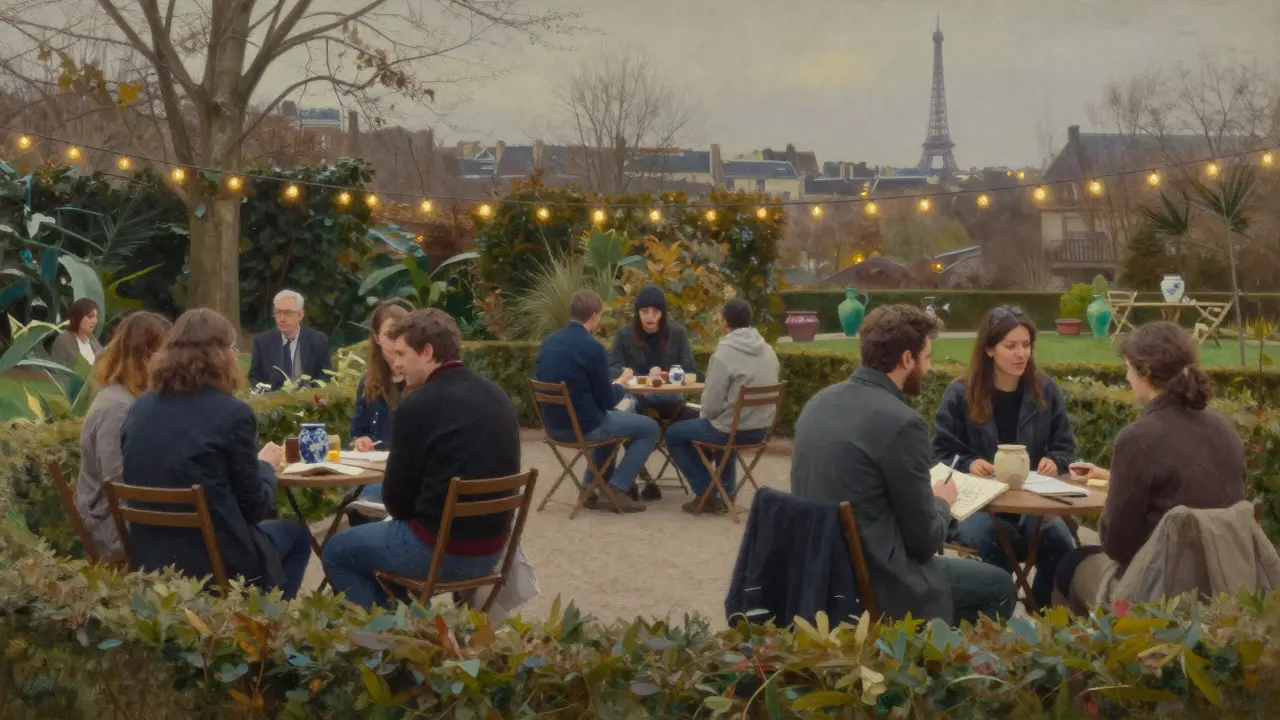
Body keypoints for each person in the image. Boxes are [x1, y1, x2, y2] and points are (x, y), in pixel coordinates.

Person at [790, 304, 1015, 624]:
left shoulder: (819, 403)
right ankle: (945, 667)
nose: (929, 367)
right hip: (878, 582)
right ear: (907, 359)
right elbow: (925, 541)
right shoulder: (901, 423)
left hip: (819, 574)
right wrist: (942, 500)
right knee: (999, 585)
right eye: (927, 358)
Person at [323, 309, 521, 609]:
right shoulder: (497, 395)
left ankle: (397, 639)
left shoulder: (417, 406)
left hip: (438, 551)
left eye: (402, 353)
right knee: (373, 516)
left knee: (336, 550)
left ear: (427, 352)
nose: (396, 363)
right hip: (493, 551)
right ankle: (417, 625)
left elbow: (397, 505)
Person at [120, 309, 312, 598]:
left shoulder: (139, 409)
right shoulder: (232, 414)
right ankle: (268, 628)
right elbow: (255, 508)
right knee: (297, 536)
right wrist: (265, 466)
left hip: (153, 561)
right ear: (223, 355)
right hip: (218, 564)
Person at [1055, 321, 1247, 612]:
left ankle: (1098, 651)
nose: (1125, 374)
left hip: (1156, 594)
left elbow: (1117, 546)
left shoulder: (1138, 439)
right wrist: (1115, 479)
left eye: (1128, 367)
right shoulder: (1225, 429)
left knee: (1070, 564)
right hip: (1221, 587)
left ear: (1144, 373)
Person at [932, 306, 1077, 609]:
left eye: (1026, 345)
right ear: (989, 349)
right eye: (1010, 346)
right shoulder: (960, 393)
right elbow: (941, 454)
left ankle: (1040, 612)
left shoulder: (1044, 390)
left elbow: (1064, 445)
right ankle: (997, 621)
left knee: (1061, 542)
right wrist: (970, 463)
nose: (1020, 353)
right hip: (977, 507)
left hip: (1031, 502)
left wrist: (1055, 460)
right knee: (999, 539)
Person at [534, 289, 658, 513]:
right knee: (649, 428)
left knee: (611, 423)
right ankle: (616, 489)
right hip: (585, 427)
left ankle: (590, 488)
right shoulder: (592, 347)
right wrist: (620, 381)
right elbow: (607, 400)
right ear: (593, 316)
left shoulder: (548, 342)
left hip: (554, 427)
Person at [665, 298, 779, 515]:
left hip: (731, 431)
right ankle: (726, 491)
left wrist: (703, 414)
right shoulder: (768, 351)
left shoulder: (724, 354)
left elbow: (710, 407)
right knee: (726, 424)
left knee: (674, 434)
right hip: (761, 428)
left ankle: (708, 493)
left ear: (724, 322)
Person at [75, 310, 173, 560]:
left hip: (124, 519)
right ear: (145, 356)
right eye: (167, 355)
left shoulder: (129, 398)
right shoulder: (117, 409)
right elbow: (117, 487)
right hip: (112, 532)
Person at [345, 302, 410, 525]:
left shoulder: (421, 381)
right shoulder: (369, 383)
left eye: (403, 333)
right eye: (390, 334)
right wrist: (360, 441)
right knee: (356, 505)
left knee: (363, 506)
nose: (397, 341)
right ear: (376, 338)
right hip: (373, 469)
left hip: (405, 473)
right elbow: (357, 431)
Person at [248, 289, 331, 390]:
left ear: (300, 314)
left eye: (288, 313)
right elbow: (254, 377)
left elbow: (325, 375)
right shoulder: (262, 341)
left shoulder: (318, 340)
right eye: (278, 312)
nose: (282, 318)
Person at [51, 297, 103, 368]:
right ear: (77, 317)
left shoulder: (92, 339)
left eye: (96, 317)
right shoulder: (64, 340)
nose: (95, 321)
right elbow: (58, 372)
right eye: (90, 316)